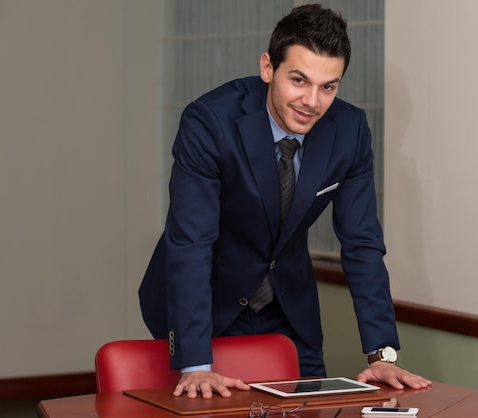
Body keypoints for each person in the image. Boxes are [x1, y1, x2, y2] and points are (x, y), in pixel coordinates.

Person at [138, 3, 431, 399]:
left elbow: (362, 244)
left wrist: (381, 354)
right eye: (298, 80)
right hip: (206, 306)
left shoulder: (350, 131)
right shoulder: (209, 122)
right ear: (267, 68)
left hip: (290, 311)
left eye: (328, 86)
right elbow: (191, 241)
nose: (312, 101)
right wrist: (195, 364)